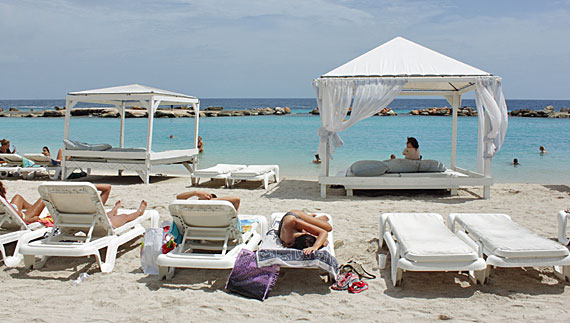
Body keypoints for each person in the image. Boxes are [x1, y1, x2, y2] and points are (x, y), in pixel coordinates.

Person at [176, 190, 240, 211]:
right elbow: (236, 199)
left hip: (196, 232)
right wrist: (196, 192)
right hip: (220, 233)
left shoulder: (193, 209)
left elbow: (179, 198)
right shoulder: (221, 212)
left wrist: (195, 193)